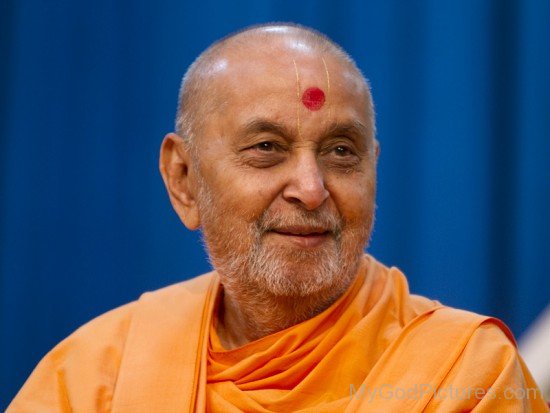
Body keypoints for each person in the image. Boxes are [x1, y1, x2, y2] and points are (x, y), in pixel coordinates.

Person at [8, 23, 548, 412]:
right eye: (267, 147)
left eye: (341, 152)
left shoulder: (465, 375)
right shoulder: (96, 374)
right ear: (183, 180)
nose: (312, 190)